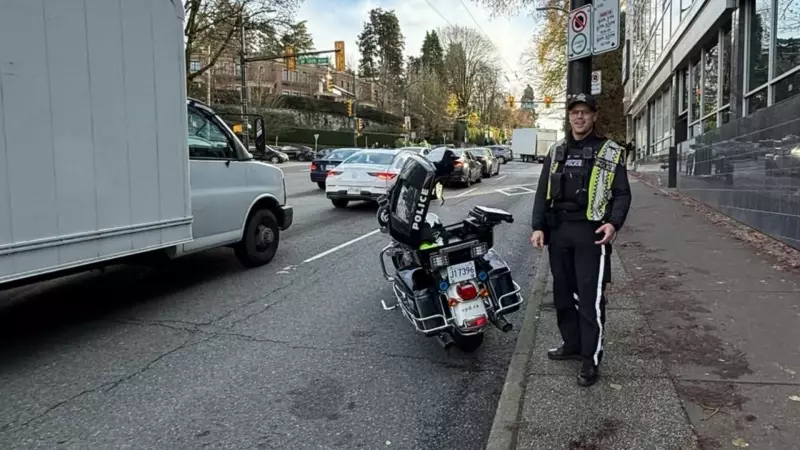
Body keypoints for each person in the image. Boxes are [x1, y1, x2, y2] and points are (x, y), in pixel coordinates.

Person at [529, 93, 632, 387]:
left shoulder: (610, 151)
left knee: (589, 300)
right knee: (562, 295)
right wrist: (538, 226)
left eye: (585, 112)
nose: (579, 117)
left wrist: (614, 223)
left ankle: (590, 358)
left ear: (594, 116)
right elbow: (542, 191)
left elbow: (622, 194)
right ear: (569, 116)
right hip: (559, 232)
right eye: (575, 112)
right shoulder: (557, 150)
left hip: (592, 234)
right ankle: (572, 344)